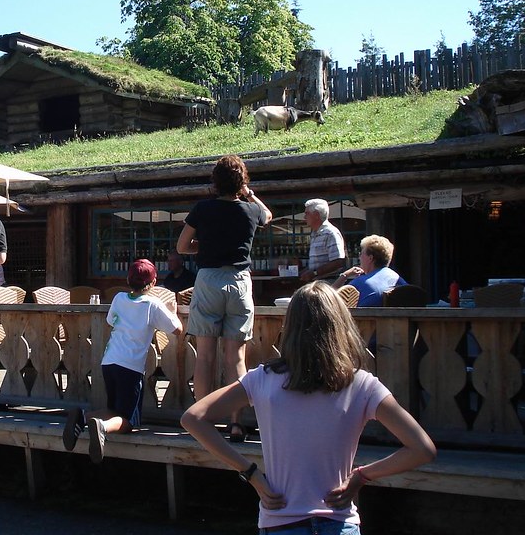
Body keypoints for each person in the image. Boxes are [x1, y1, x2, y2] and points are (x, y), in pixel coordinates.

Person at [181, 281, 436, 534]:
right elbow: (422, 449)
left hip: (281, 522)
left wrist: (251, 473)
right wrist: (361, 476)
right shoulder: (362, 384)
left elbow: (193, 418)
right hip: (339, 523)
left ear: (290, 326)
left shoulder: (262, 379)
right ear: (341, 325)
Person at [176, 154, 272, 441]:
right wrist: (250, 194)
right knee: (236, 358)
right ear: (241, 182)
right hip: (240, 281)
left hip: (209, 280)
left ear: (215, 182)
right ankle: (236, 422)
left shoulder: (202, 209)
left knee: (205, 356)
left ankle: (201, 419)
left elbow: (182, 247)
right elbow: (267, 216)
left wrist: (205, 246)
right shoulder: (251, 210)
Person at [62, 258, 182, 463]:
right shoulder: (152, 304)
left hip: (110, 362)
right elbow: (177, 329)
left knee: (114, 410)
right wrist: (172, 310)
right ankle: (102, 427)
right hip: (131, 367)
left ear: (128, 280)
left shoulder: (118, 298)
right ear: (153, 283)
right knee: (128, 421)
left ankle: (83, 418)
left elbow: (111, 320)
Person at [333, 235, 407, 307]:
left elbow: (329, 301)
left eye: (361, 253)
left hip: (364, 316)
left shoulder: (360, 282)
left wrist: (344, 276)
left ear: (370, 258)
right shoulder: (399, 279)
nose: (359, 257)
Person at [299, 199, 347, 283]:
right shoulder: (315, 233)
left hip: (329, 283)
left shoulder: (330, 233)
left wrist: (314, 273)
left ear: (316, 215)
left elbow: (338, 262)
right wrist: (306, 271)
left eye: (307, 213)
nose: (304, 217)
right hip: (319, 282)